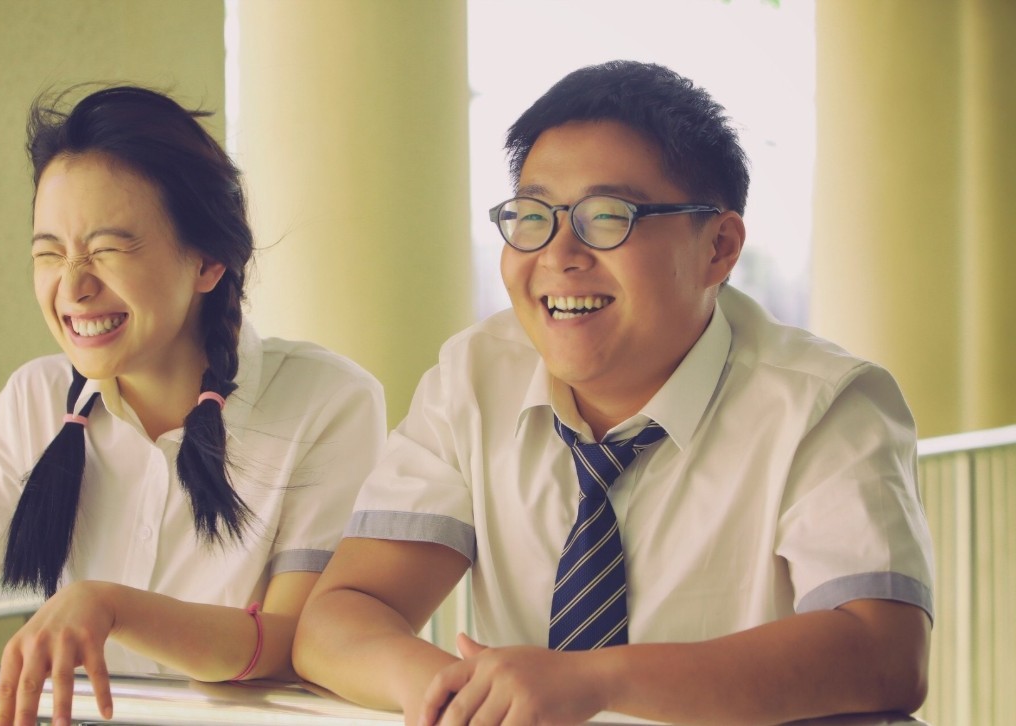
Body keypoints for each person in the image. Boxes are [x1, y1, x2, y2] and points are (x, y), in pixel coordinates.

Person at [293, 60, 933, 725]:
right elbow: (339, 619)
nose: (558, 255)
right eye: (533, 216)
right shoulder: (475, 378)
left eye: (607, 217)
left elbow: (883, 650)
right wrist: (463, 693)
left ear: (719, 247)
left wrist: (593, 682)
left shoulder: (827, 404)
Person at [0, 85, 386, 726]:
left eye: (107, 249)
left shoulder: (329, 402)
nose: (73, 286)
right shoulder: (34, 399)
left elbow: (292, 645)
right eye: (49, 252)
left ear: (208, 260)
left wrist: (112, 606)